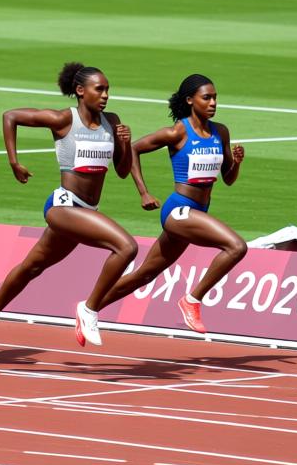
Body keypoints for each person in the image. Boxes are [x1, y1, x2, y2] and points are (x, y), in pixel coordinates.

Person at [0, 62, 135, 354]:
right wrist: (13, 161)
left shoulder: (112, 120)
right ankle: (89, 309)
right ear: (81, 91)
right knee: (126, 247)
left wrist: (125, 144)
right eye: (100, 89)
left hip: (86, 211)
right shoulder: (63, 120)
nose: (106, 95)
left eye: (108, 89)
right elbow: (11, 116)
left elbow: (121, 171)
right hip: (63, 207)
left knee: (31, 267)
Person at [97, 74, 247, 334]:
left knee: (144, 274)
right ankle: (192, 300)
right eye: (206, 97)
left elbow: (228, 179)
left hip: (199, 211)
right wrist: (143, 192)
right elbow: (133, 149)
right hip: (178, 210)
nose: (213, 103)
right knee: (236, 246)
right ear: (190, 100)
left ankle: (89, 308)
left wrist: (236, 163)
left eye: (215, 97)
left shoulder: (220, 131)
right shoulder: (178, 131)